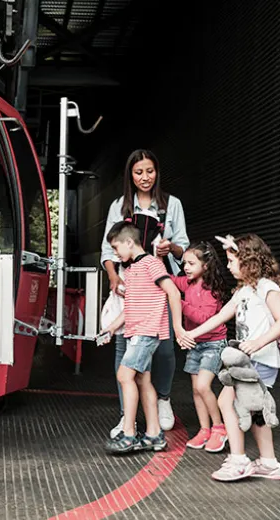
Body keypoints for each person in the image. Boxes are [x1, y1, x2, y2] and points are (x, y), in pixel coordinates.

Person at [178, 234, 280, 482]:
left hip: (260, 360)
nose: (228, 266)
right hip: (247, 361)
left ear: (248, 260)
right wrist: (190, 334)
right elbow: (219, 317)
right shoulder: (244, 290)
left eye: (232, 260)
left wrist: (257, 343)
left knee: (227, 403)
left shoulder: (267, 288)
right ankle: (269, 463)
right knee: (256, 412)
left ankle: (239, 460)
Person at [100, 149, 189, 437]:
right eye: (138, 172)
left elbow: (184, 246)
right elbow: (107, 248)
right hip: (128, 283)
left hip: (159, 280)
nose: (145, 177)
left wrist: (170, 248)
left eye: (149, 171)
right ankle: (127, 415)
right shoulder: (119, 206)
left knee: (162, 346)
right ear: (130, 175)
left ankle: (163, 399)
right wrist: (114, 277)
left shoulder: (171, 204)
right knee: (124, 346)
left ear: (157, 172)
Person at [101, 221, 191, 453]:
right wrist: (112, 327)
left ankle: (129, 433)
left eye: (116, 248)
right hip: (135, 332)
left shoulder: (151, 263)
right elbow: (129, 307)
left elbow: (172, 291)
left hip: (146, 333)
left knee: (124, 375)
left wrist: (178, 328)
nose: (115, 253)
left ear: (130, 242)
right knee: (142, 380)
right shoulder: (131, 270)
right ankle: (154, 435)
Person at [170, 242, 230, 452]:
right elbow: (171, 282)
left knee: (204, 386)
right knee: (196, 390)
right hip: (195, 344)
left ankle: (219, 428)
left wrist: (180, 303)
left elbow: (204, 318)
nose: (186, 267)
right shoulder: (188, 283)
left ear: (206, 266)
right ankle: (204, 430)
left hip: (213, 344)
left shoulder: (211, 290)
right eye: (185, 263)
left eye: (191, 263)